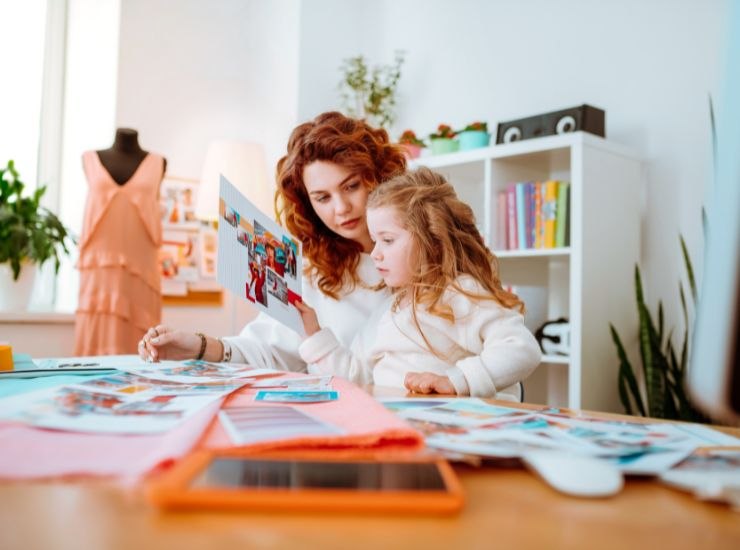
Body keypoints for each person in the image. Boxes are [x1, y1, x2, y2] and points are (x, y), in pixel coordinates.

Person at [138, 112, 406, 368]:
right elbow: (266, 349)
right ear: (308, 204)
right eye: (323, 198)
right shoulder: (311, 272)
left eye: (351, 186)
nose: (341, 208)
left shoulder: (425, 252)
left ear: (378, 177)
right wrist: (196, 346)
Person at [293, 167, 541, 398]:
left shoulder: (459, 293)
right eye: (374, 240)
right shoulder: (389, 309)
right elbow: (356, 376)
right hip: (398, 426)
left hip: (446, 429)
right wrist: (313, 334)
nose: (376, 253)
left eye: (387, 240)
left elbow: (521, 348)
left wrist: (456, 381)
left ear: (431, 240)